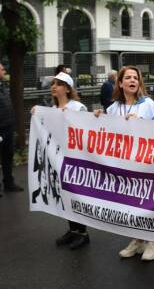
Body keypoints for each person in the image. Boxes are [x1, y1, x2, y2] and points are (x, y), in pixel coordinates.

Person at [94, 66, 154, 261]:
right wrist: (98, 117)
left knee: (147, 202)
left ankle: (153, 242)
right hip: (124, 163)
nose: (133, 80)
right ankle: (137, 240)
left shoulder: (148, 104)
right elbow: (106, 133)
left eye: (136, 78)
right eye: (128, 78)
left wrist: (141, 122)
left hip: (146, 161)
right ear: (120, 83)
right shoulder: (113, 108)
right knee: (130, 203)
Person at [32, 72, 89, 249]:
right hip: (59, 158)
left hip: (75, 159)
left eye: (58, 84)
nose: (54, 87)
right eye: (53, 84)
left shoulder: (77, 107)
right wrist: (37, 114)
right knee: (64, 194)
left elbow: (86, 129)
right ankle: (72, 230)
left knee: (76, 195)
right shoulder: (52, 109)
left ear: (68, 89)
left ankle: (83, 233)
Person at [0, 63, 23, 193]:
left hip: (8, 127)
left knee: (8, 156)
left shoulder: (3, 85)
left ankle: (9, 183)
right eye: (2, 69)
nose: (4, 71)